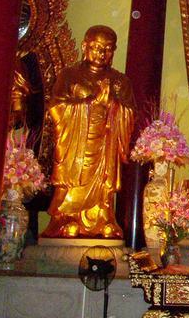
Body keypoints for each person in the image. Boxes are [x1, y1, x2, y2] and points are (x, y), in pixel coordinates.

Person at [42, 25, 135, 238]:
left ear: (114, 51)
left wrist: (112, 104)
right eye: (96, 47)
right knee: (72, 180)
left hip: (104, 144)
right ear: (85, 46)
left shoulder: (120, 81)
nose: (101, 53)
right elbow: (55, 107)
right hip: (76, 145)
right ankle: (66, 218)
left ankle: (103, 218)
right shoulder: (70, 75)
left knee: (104, 185)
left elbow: (130, 114)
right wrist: (90, 103)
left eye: (108, 48)